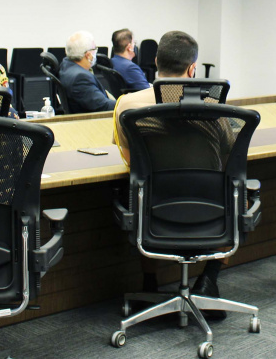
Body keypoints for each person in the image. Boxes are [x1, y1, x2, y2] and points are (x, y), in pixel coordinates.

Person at [112, 30, 229, 318]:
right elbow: (229, 152)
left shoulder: (126, 105)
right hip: (207, 210)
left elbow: (130, 160)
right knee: (238, 195)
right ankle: (208, 280)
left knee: (139, 192)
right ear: (192, 69)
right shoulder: (214, 107)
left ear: (155, 62)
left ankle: (149, 284)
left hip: (154, 211)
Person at [59, 31, 115, 113]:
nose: (96, 52)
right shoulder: (80, 78)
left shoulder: (66, 64)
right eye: (94, 49)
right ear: (88, 55)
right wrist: (124, 104)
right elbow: (103, 106)